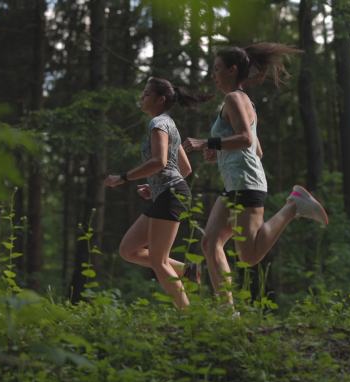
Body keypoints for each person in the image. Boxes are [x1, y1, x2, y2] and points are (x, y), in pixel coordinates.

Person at [183, 43, 328, 304]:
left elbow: (246, 139)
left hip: (246, 185)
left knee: (249, 256)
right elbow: (257, 150)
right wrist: (220, 151)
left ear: (233, 70)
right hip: (236, 184)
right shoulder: (243, 102)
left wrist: (208, 143)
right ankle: (227, 312)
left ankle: (293, 206)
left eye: (217, 69)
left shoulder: (234, 99)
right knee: (210, 243)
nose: (213, 75)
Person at [105, 77, 209, 309]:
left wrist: (123, 178)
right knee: (128, 249)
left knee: (158, 260)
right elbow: (185, 168)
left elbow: (159, 161)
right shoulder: (169, 124)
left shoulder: (158, 124)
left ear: (160, 100)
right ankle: (188, 270)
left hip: (172, 194)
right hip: (167, 193)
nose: (142, 97)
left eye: (146, 94)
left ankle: (188, 315)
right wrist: (154, 187)